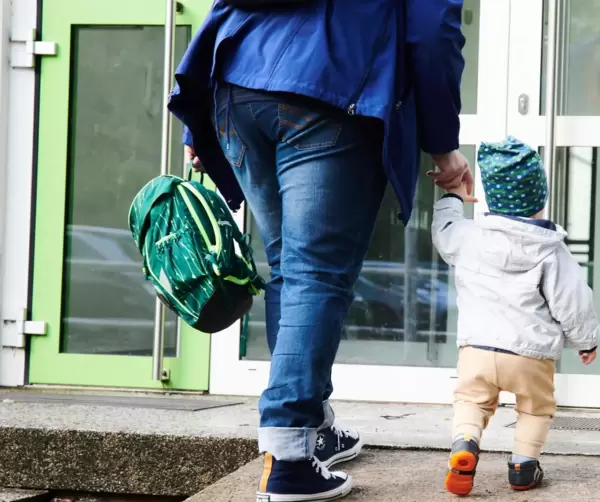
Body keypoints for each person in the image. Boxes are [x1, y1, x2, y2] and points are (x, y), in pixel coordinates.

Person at [167, 1, 469, 500]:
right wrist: (444, 145)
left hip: (237, 86)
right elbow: (434, 31)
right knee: (315, 275)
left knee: (293, 270)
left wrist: (195, 123)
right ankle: (288, 456)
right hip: (328, 94)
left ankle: (314, 428)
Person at [431, 137, 600, 496]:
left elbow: (444, 233)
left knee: (470, 402)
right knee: (536, 409)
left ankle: (464, 443)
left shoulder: (470, 237)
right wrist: (586, 340)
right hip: (530, 355)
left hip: (477, 350)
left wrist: (453, 198)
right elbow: (573, 302)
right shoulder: (551, 251)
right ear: (540, 197)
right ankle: (523, 467)